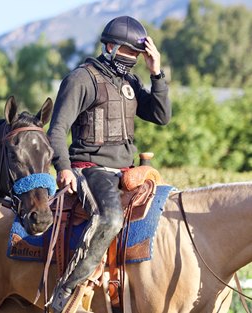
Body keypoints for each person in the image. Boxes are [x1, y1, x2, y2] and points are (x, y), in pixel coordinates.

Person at [47, 16, 171, 312]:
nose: (133, 60)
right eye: (130, 53)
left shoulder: (129, 81)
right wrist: (63, 167)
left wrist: (157, 74)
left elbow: (161, 116)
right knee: (111, 219)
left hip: (126, 172)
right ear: (112, 47)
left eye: (137, 55)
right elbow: (55, 130)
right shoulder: (81, 79)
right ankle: (67, 289)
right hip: (90, 170)